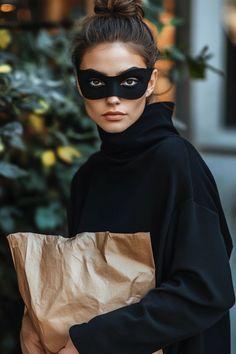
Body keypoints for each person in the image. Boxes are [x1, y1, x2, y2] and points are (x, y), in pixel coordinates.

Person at [20, 0, 235, 354]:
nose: (114, 98)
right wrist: (33, 317)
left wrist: (89, 341)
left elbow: (206, 290)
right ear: (79, 84)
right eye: (97, 83)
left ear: (151, 82)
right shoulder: (88, 177)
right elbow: (85, 284)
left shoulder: (176, 162)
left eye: (129, 81)